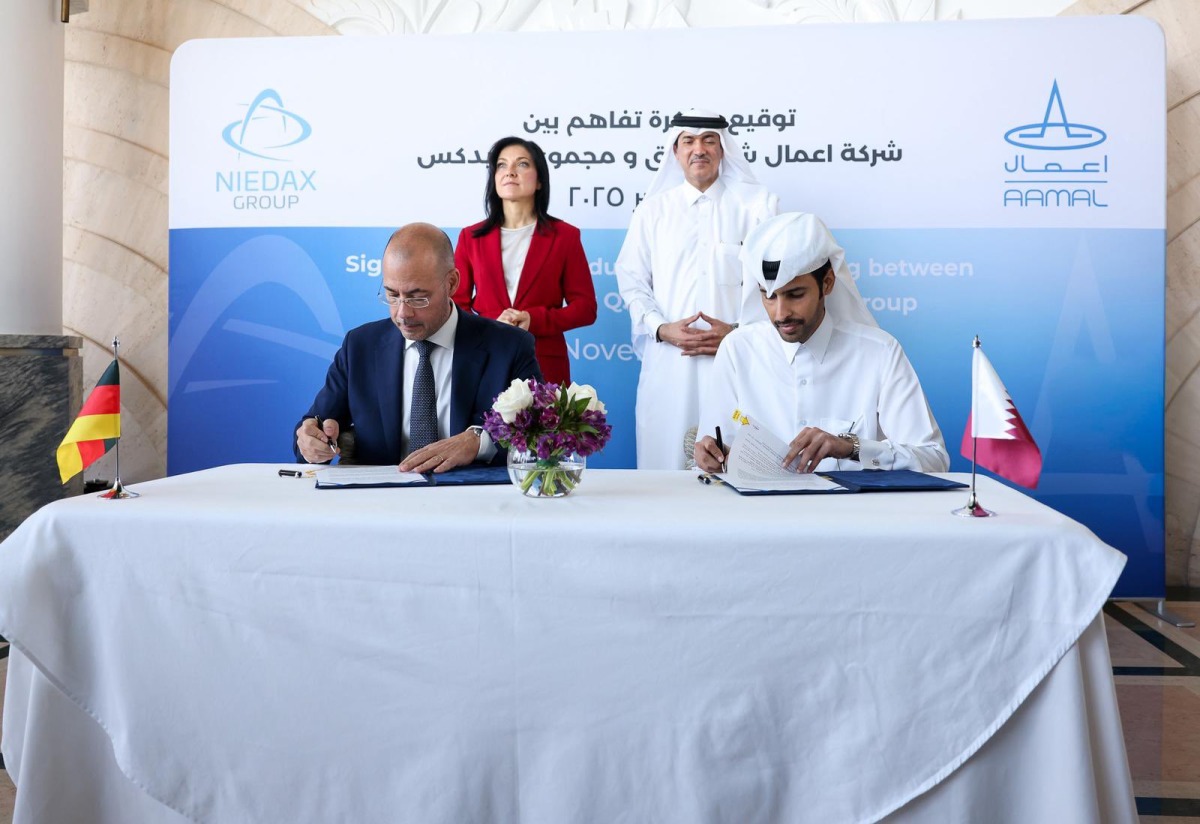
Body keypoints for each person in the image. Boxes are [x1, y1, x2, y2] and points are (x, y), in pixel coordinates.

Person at [694, 212, 949, 474]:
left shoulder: (880, 352)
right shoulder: (737, 350)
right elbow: (712, 454)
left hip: (852, 514)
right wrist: (711, 457)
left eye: (795, 294)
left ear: (827, 283)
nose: (780, 313)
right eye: (768, 297)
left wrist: (852, 447)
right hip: (757, 513)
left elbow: (933, 459)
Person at [295, 223, 541, 472]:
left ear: (452, 283)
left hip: (472, 502)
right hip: (380, 503)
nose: (402, 313)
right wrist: (312, 442)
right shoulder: (360, 346)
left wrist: (478, 442)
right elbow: (311, 430)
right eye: (392, 295)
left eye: (417, 297)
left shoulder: (509, 346)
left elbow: (538, 438)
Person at [615, 109, 779, 469]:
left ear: (724, 149)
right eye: (688, 140)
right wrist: (660, 327)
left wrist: (738, 333)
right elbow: (631, 280)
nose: (698, 149)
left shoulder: (756, 207)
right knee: (665, 472)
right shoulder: (652, 211)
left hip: (739, 363)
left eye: (708, 140)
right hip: (670, 366)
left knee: (738, 467)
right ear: (675, 152)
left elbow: (777, 285)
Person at [454, 137, 597, 386]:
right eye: (501, 165)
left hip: (544, 363)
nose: (510, 171)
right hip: (484, 360)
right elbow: (455, 304)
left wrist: (535, 320)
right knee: (481, 427)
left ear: (540, 179)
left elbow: (585, 308)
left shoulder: (565, 236)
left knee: (544, 426)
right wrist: (486, 327)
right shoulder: (471, 237)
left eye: (521, 164)